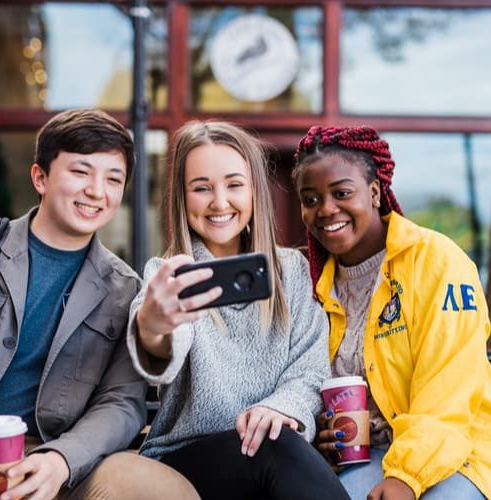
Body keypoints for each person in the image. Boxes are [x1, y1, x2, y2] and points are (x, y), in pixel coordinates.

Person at [0, 109, 199, 500]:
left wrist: (61, 460)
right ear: (40, 178)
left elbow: (122, 403)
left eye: (113, 179)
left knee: (165, 491)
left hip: (60, 463)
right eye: (80, 172)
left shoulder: (125, 289)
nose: (97, 191)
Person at [291, 126, 491, 500]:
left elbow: (448, 389)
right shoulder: (316, 286)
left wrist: (406, 476)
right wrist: (325, 435)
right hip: (377, 458)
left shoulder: (436, 260)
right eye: (311, 198)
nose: (326, 209)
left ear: (374, 192)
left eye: (341, 193)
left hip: (469, 453)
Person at [126, 121, 350, 500]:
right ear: (182, 197)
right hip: (185, 459)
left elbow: (310, 370)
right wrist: (153, 326)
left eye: (234, 184)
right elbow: (162, 345)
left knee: (275, 441)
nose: (219, 202)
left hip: (273, 451)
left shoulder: (292, 272)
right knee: (274, 446)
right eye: (201, 188)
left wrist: (280, 409)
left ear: (254, 192)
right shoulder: (168, 276)